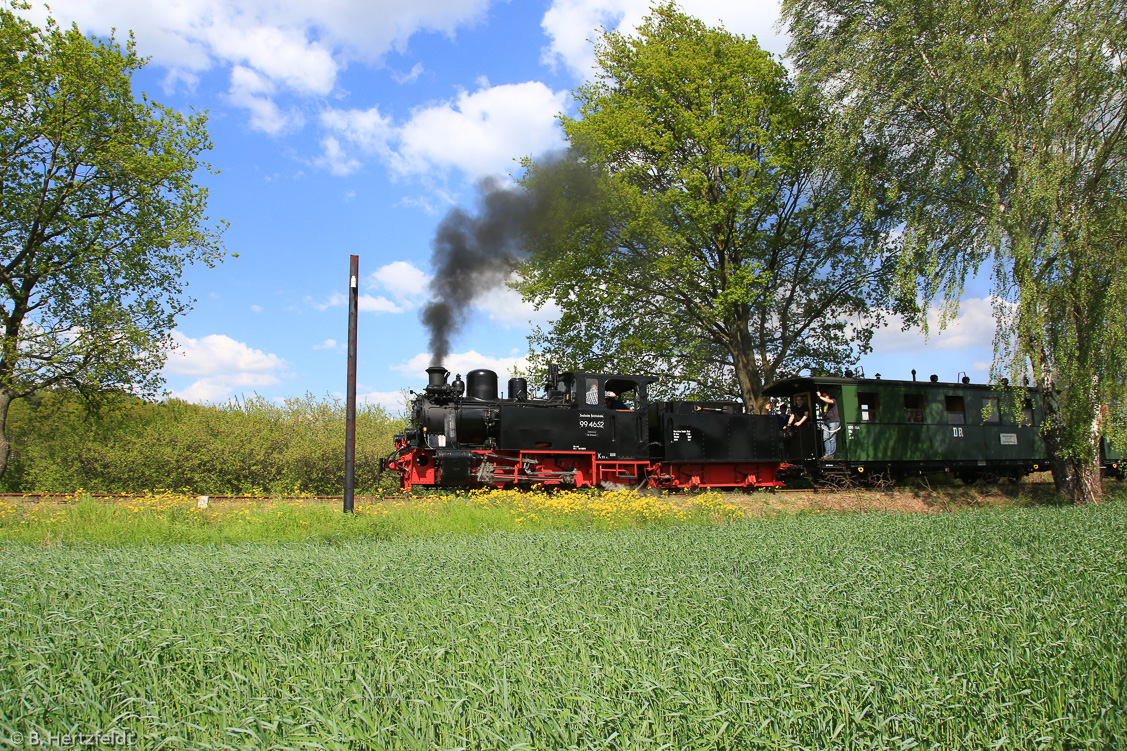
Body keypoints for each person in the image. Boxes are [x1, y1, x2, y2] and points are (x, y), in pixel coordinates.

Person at [817, 390, 840, 459]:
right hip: (826, 422)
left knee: (832, 438)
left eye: (825, 396)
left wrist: (820, 396)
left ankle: (831, 454)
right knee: (825, 438)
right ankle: (827, 453)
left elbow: (828, 401)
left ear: (828, 396)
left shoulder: (833, 401)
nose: (824, 397)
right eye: (823, 396)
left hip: (834, 421)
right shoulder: (823, 405)